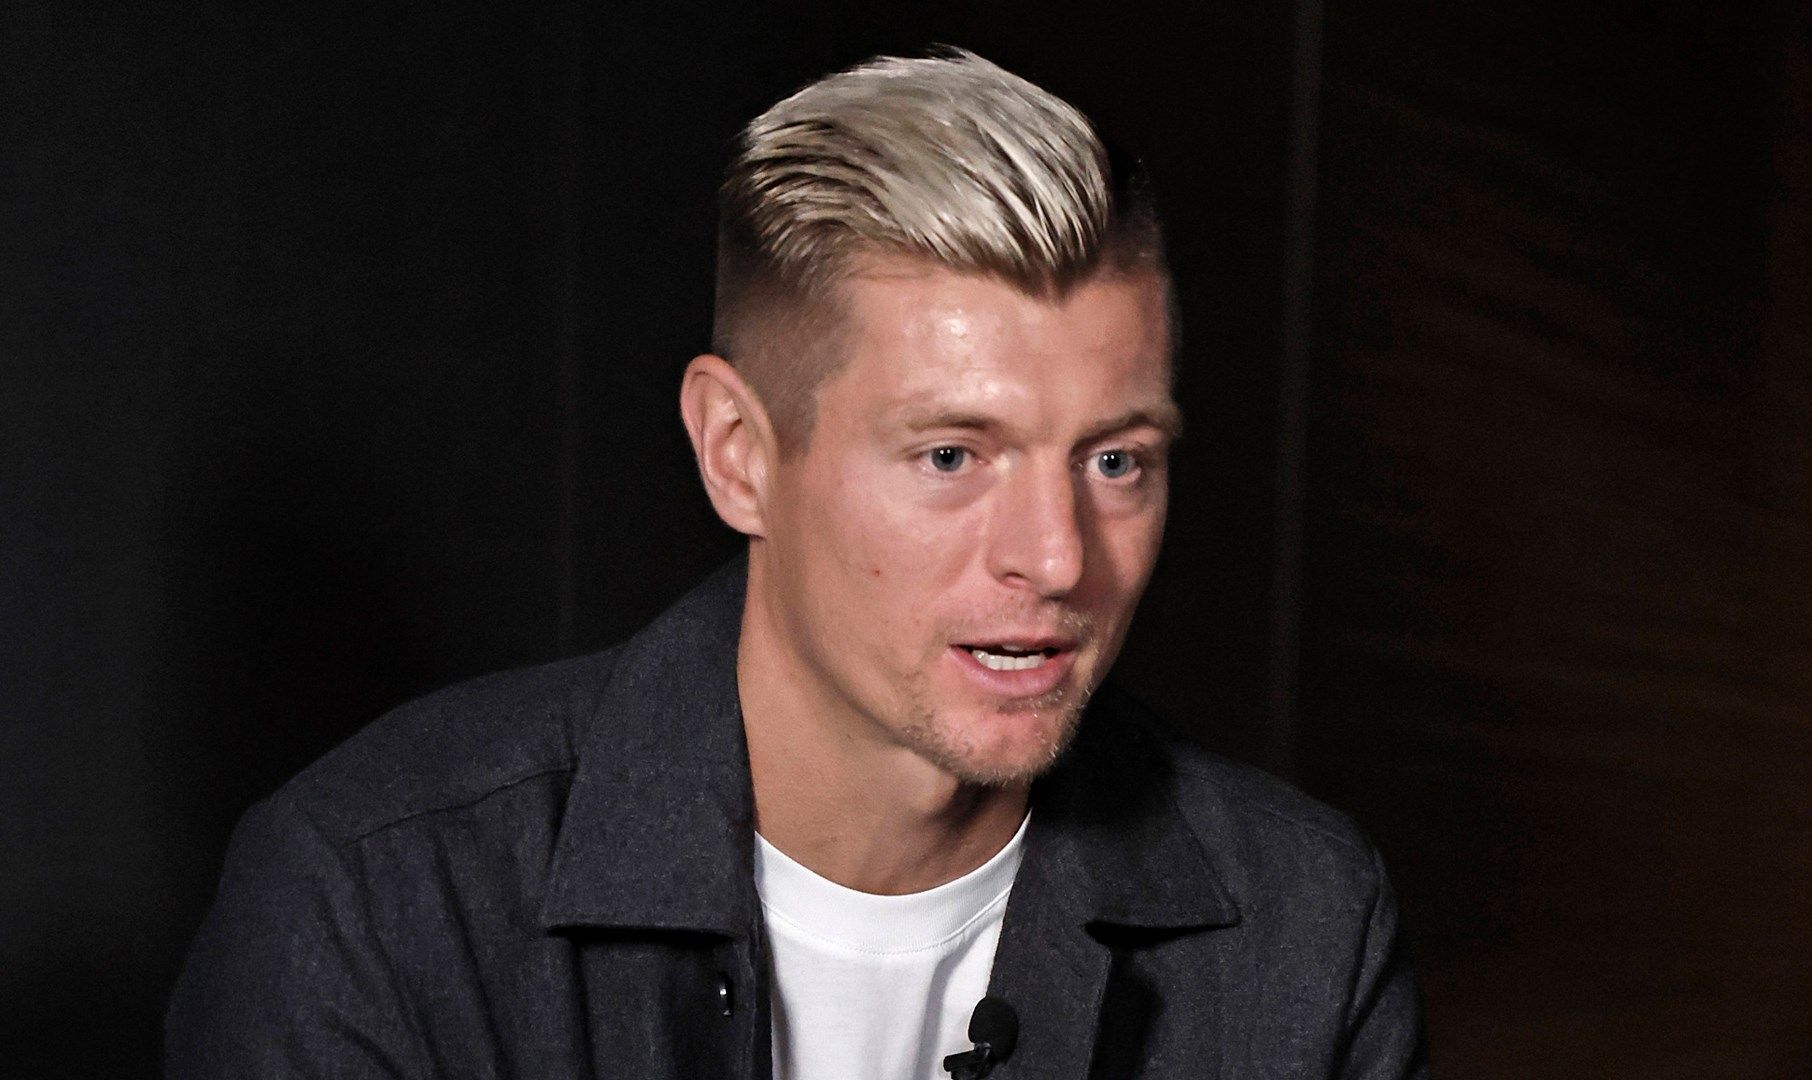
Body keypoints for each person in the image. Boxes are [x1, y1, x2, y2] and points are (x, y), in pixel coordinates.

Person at [167, 49, 1427, 1079]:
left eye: (1115, 461)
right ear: (739, 454)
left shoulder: (1302, 925)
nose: (1055, 559)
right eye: (951, 456)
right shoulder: (378, 901)